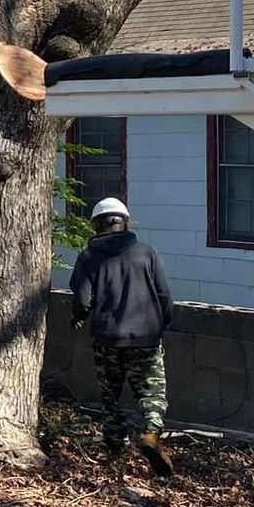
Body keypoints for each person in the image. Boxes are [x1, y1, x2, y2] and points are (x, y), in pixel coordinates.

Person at [70, 196, 175, 475]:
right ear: (124, 222)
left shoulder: (88, 257)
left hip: (107, 339)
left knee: (110, 397)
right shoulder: (146, 253)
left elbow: (82, 301)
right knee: (152, 393)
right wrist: (162, 323)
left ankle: (114, 447)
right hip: (146, 338)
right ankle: (151, 434)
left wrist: (78, 318)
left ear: (97, 225)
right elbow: (165, 295)